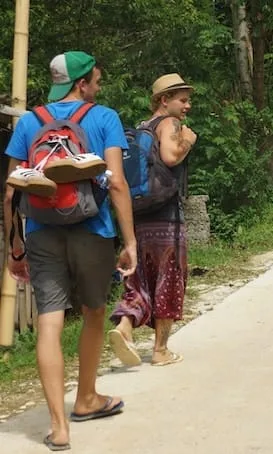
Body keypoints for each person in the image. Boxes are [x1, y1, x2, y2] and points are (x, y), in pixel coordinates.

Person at [3, 50, 137, 451]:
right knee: (95, 311)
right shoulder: (103, 117)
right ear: (82, 83)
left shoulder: (29, 121)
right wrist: (129, 241)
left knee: (49, 321)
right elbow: (116, 183)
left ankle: (59, 427)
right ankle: (86, 398)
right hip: (92, 228)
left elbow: (12, 187)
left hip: (42, 232)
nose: (98, 85)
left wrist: (14, 246)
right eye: (94, 79)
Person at [107, 74, 196, 368]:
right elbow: (171, 157)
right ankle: (160, 350)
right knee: (168, 281)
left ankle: (124, 327)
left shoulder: (142, 128)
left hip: (139, 217)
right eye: (182, 100)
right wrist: (189, 140)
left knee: (140, 280)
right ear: (163, 100)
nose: (187, 106)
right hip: (166, 219)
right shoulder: (168, 124)